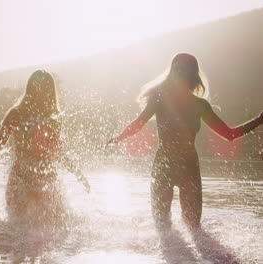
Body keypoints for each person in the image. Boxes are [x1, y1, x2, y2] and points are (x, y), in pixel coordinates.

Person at [107, 53, 263, 230]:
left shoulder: (200, 105)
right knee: (163, 227)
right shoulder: (159, 99)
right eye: (177, 69)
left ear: (191, 74)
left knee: (192, 227)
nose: (180, 73)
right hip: (165, 166)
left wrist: (259, 120)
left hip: (187, 166)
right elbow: (139, 123)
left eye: (183, 70)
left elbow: (229, 134)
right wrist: (119, 138)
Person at [0, 70, 86, 225]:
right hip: (21, 177)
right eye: (37, 86)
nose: (41, 91)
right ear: (30, 89)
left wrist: (77, 173)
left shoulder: (54, 117)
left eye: (45, 88)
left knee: (55, 226)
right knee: (16, 226)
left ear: (50, 91)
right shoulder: (16, 113)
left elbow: (56, 151)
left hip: (46, 178)